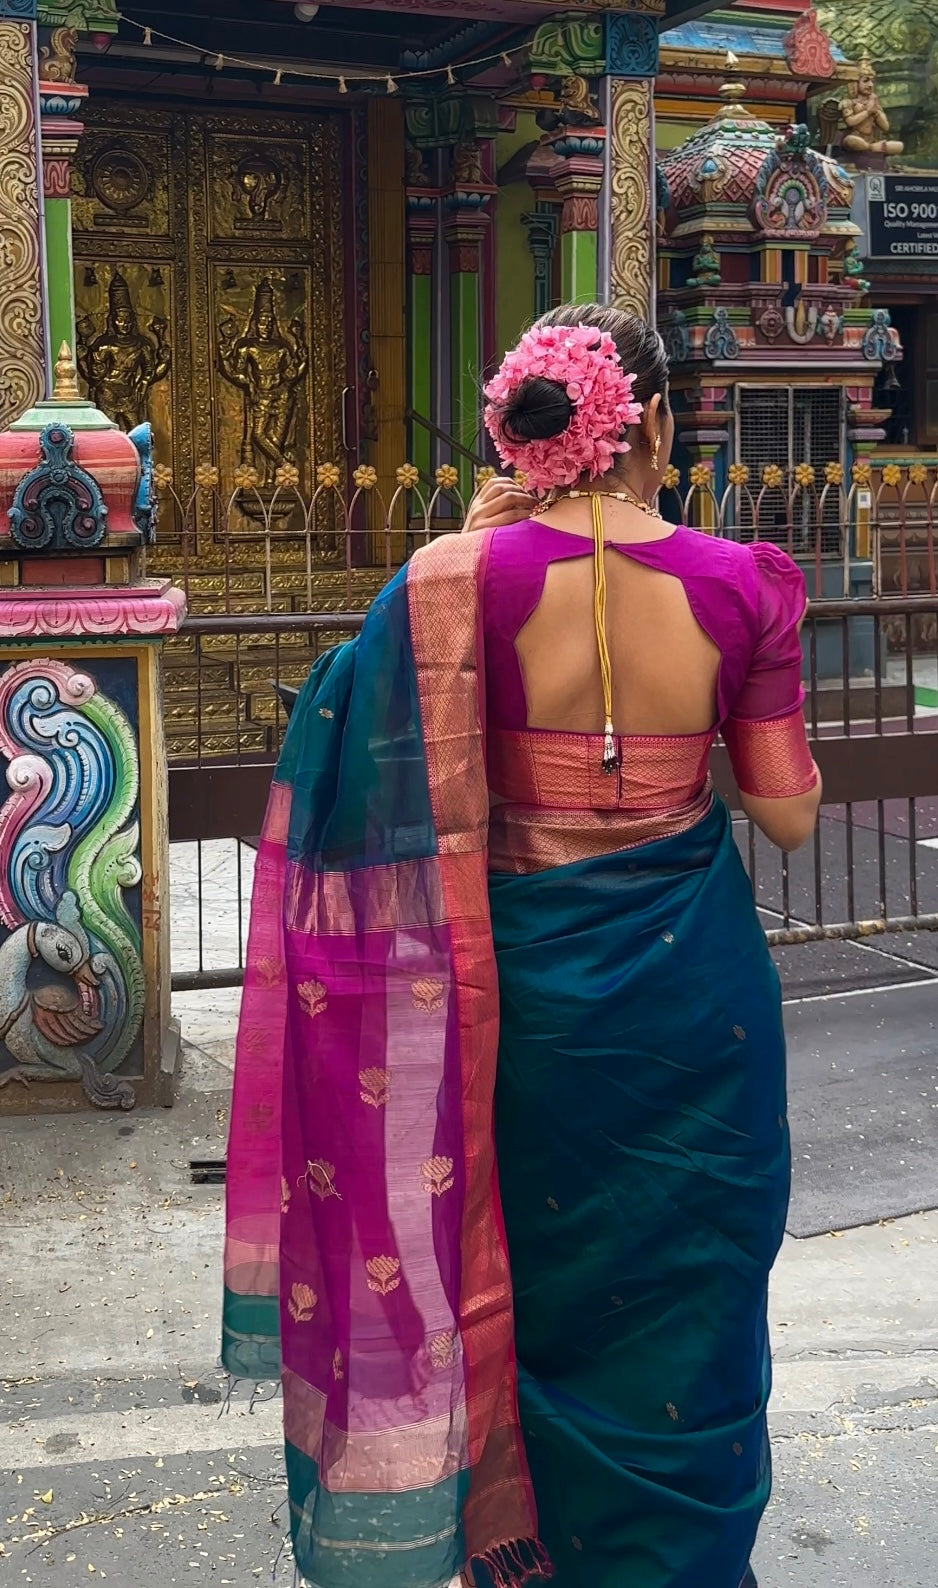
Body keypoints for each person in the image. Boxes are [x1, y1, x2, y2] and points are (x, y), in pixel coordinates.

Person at [222, 305, 821, 1588]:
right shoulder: (740, 586)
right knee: (693, 1293)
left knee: (531, 1279)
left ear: (530, 435)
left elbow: (366, 763)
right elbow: (783, 814)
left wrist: (464, 553)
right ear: (652, 419)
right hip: (691, 1007)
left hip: (523, 1010)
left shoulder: (452, 586)